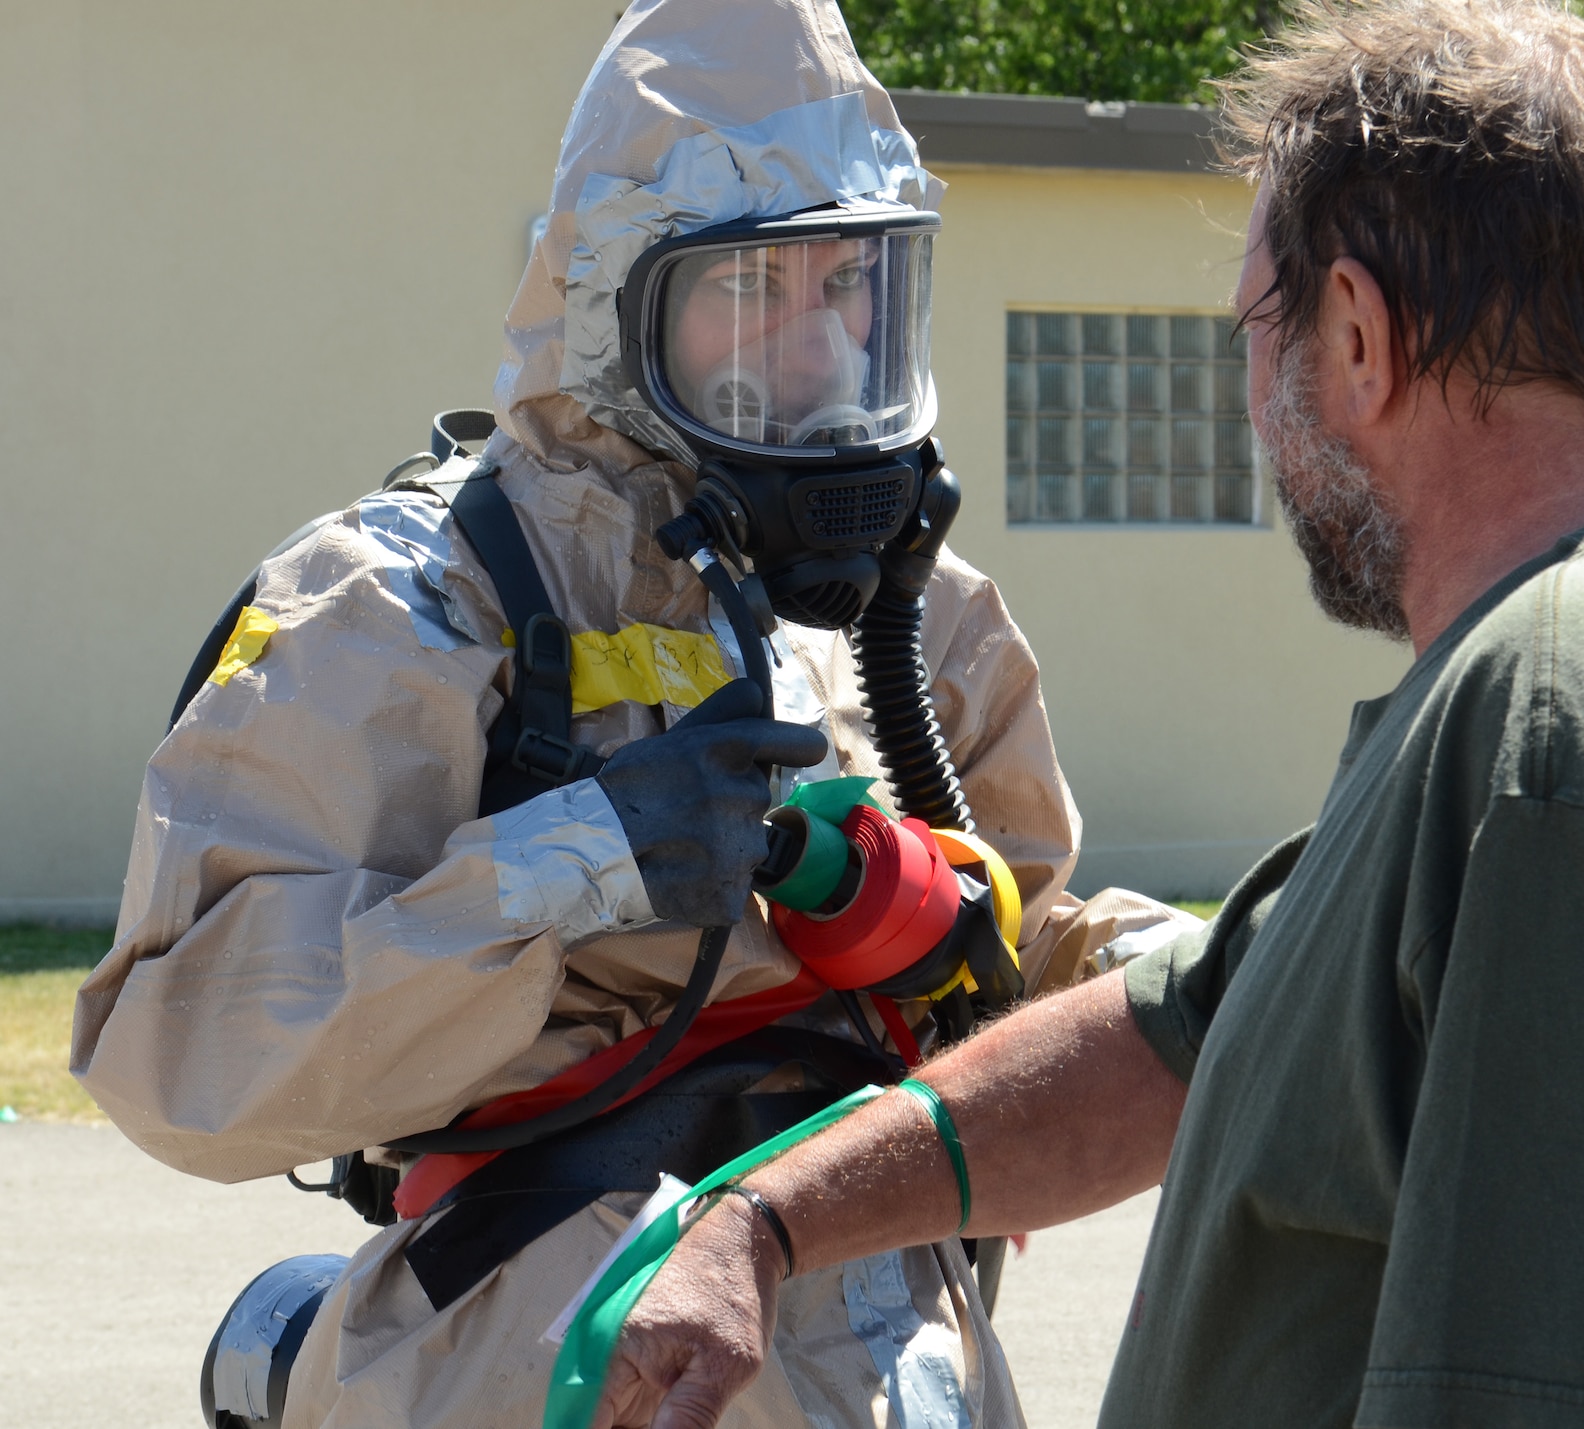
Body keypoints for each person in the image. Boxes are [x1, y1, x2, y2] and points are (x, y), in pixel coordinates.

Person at [587, 4, 1584, 1428]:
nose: (1249, 397)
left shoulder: (1574, 709)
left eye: (1250, 328)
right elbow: (1188, 1038)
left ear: (1357, 335)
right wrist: (765, 1218)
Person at [69, 2, 1183, 1426]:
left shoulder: (918, 615)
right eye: (755, 290)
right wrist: (574, 861)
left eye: (852, 283)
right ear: (616, 307)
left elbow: (1004, 937)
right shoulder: (415, 603)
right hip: (543, 1342)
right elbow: (187, 1063)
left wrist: (1218, 971)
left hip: (893, 1326)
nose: (823, 352)